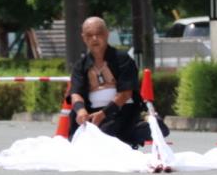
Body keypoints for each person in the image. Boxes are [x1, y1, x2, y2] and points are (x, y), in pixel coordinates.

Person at [68, 16, 169, 149]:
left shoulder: (122, 59)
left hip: (122, 111)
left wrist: (104, 113)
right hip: (92, 113)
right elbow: (76, 93)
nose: (94, 38)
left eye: (98, 34)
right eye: (89, 35)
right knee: (88, 139)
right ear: (83, 37)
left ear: (107, 34)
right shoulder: (80, 66)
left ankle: (131, 134)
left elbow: (125, 93)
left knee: (155, 127)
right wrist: (81, 111)